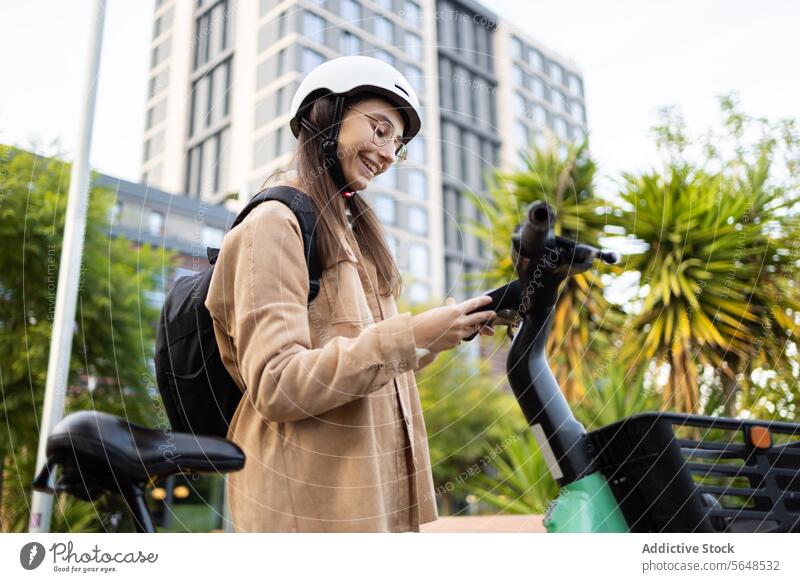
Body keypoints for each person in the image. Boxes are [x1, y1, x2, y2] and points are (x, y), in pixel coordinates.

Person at [205, 56, 497, 532]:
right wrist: (409, 335)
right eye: (380, 130)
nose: (387, 154)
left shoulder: (354, 234)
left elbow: (362, 357)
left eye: (397, 145)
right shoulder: (274, 223)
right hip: (308, 504)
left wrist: (436, 335)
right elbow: (278, 383)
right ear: (328, 115)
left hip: (365, 496)